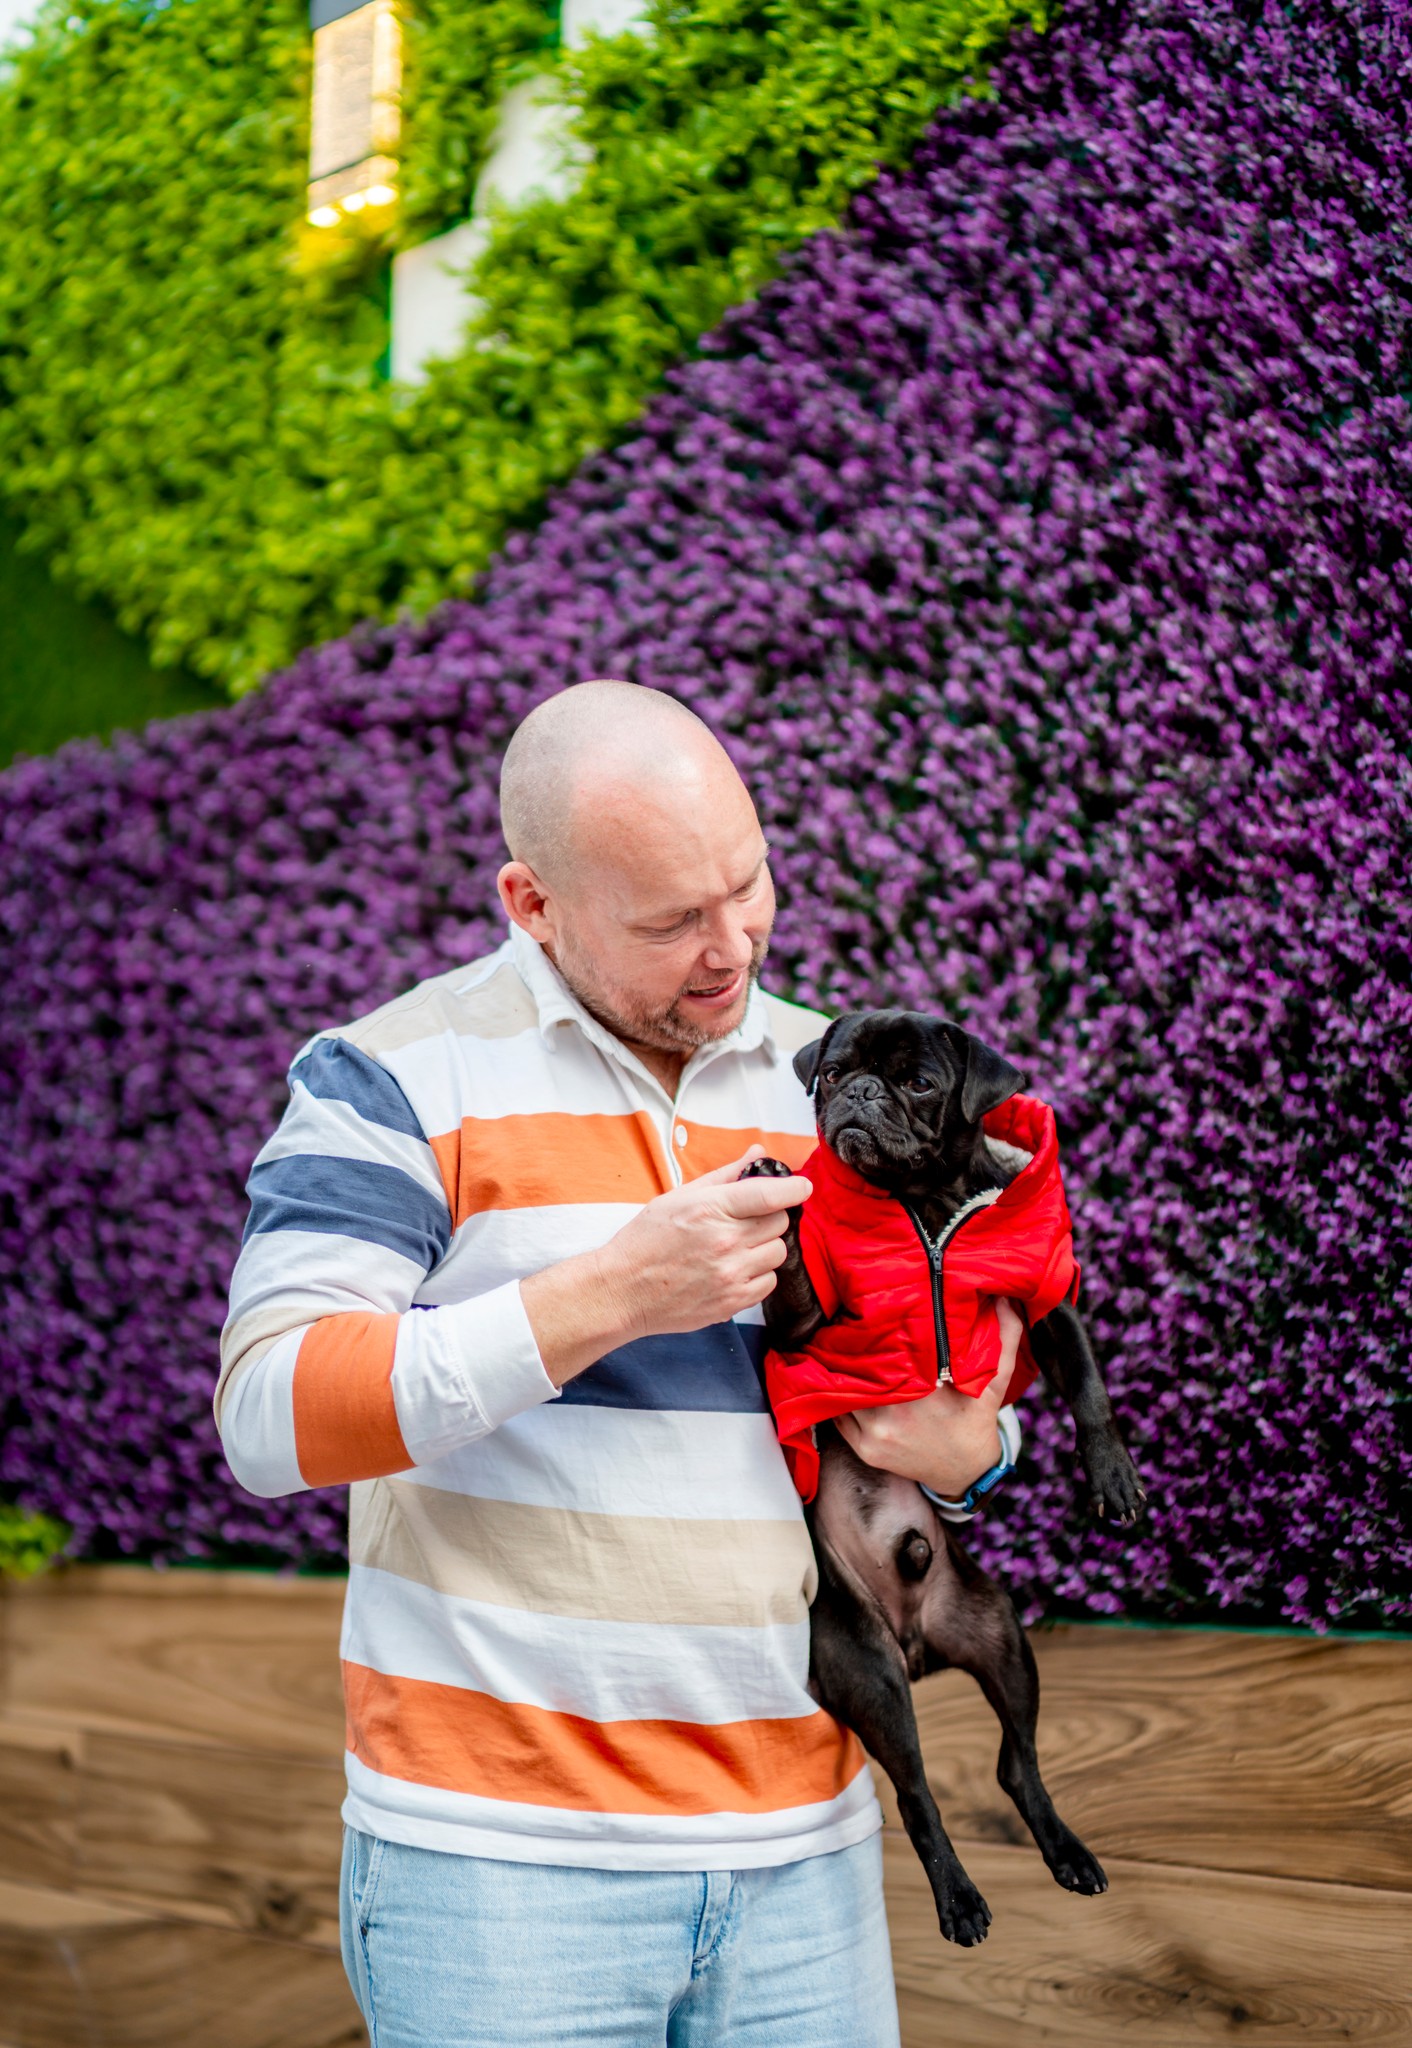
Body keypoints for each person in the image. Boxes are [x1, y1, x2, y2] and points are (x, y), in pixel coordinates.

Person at [216, 680, 1023, 2048]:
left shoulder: (836, 1074)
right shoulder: (392, 1080)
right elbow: (267, 1414)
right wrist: (607, 1296)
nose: (732, 948)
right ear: (532, 904)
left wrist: (975, 1448)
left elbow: (964, 1371)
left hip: (806, 1856)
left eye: (747, 884)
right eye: (669, 922)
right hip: (502, 1875)